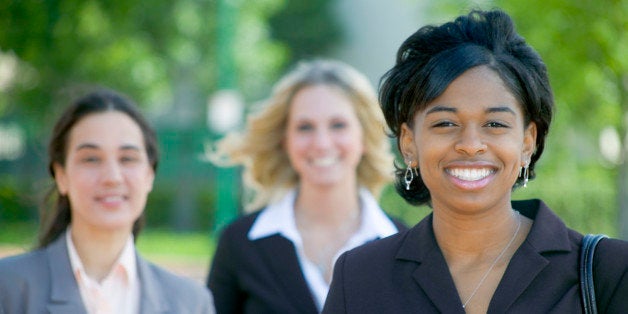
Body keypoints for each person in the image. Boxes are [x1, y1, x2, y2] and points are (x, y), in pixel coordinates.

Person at [323, 9, 628, 314]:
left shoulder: (610, 272)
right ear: (408, 143)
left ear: (527, 142)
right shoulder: (360, 277)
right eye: (445, 123)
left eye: (495, 124)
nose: (470, 146)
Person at [206, 59, 407, 314]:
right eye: (305, 127)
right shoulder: (238, 243)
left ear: (364, 136)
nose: (322, 143)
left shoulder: (403, 248)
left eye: (338, 125)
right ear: (285, 140)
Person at [0, 89, 215, 314]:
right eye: (91, 159)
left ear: (149, 175)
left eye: (127, 159)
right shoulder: (8, 289)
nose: (112, 177)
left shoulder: (191, 303)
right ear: (61, 175)